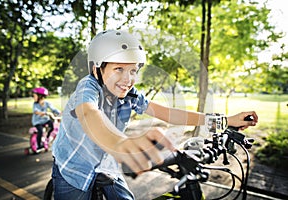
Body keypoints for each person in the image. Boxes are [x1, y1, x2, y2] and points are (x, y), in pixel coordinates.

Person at [51, 30, 258, 200]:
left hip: (107, 164)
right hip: (75, 167)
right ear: (97, 69)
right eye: (119, 69)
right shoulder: (88, 87)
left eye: (133, 70)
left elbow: (169, 113)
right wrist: (122, 144)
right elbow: (89, 113)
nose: (128, 78)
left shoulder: (130, 95)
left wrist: (225, 120)